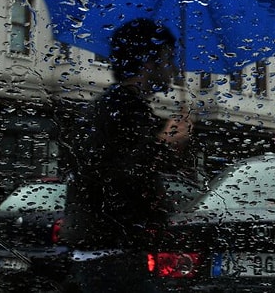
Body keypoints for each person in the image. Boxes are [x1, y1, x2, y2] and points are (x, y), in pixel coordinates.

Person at [62, 17, 193, 293]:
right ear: (149, 62)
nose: (173, 69)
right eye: (168, 59)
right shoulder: (121, 111)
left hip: (114, 252)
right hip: (110, 259)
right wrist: (165, 145)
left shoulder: (126, 108)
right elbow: (120, 177)